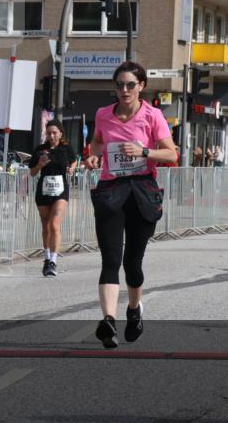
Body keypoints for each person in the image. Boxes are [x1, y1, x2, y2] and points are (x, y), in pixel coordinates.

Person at [84, 62, 177, 349]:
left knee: (132, 263)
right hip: (111, 189)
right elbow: (97, 143)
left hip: (142, 191)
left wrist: (144, 151)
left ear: (141, 87)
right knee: (110, 259)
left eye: (130, 85)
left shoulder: (153, 115)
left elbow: (172, 154)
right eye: (119, 85)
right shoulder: (103, 114)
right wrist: (94, 156)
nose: (123, 90)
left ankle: (134, 309)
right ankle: (108, 320)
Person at [29, 120, 77, 277]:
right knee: (46, 227)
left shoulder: (66, 148)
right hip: (43, 191)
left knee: (54, 224)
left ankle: (53, 262)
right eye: (49, 133)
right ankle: (46, 257)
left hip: (61, 191)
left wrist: (72, 169)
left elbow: (74, 160)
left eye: (54, 132)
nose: (51, 135)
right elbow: (32, 173)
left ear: (60, 133)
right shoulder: (40, 150)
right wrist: (40, 165)